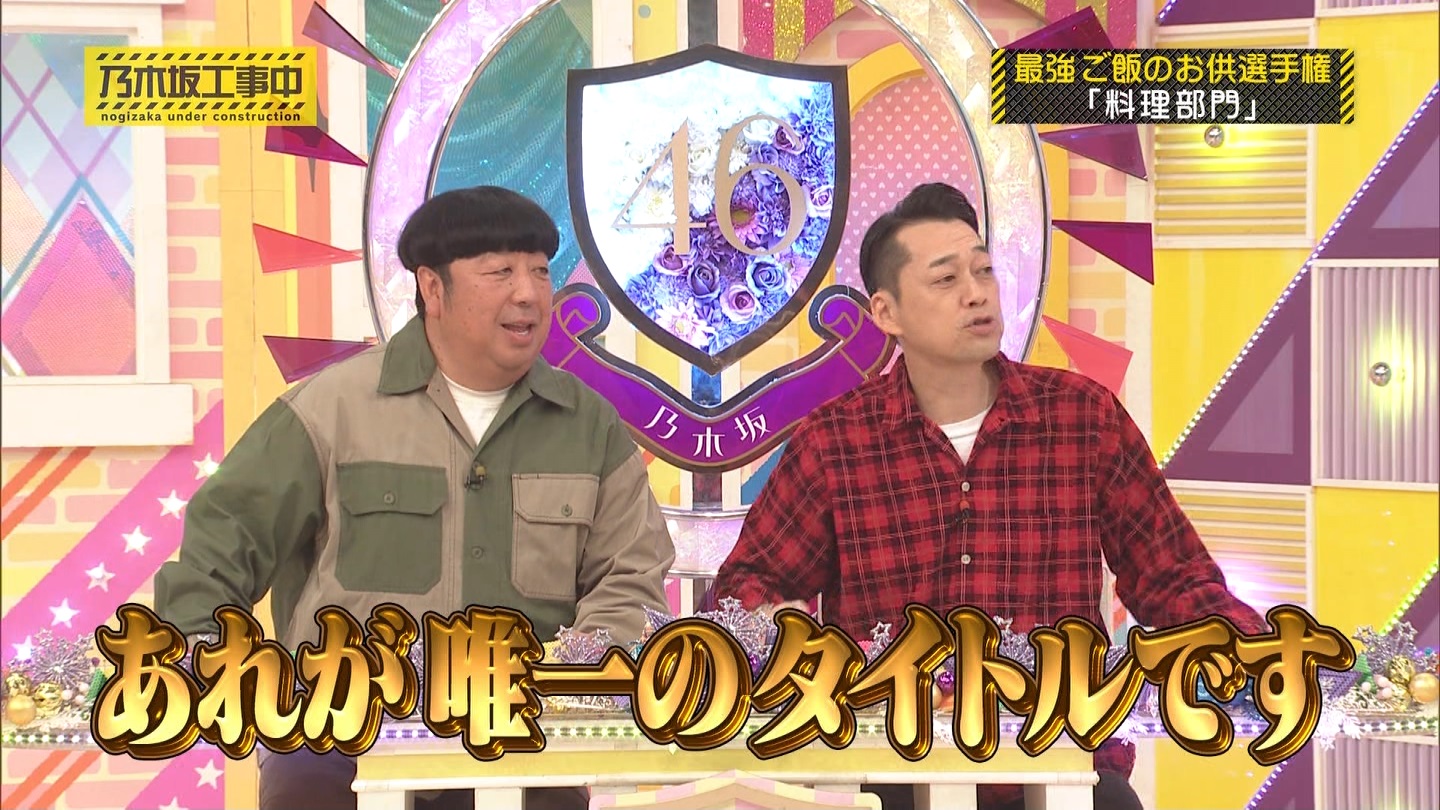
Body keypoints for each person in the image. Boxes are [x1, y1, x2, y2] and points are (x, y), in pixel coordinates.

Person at [711, 182, 1267, 810]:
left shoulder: (1081, 417)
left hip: (1059, 761)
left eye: (983, 271)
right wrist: (804, 649)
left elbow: (1174, 578)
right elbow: (742, 592)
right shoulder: (834, 441)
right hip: (888, 769)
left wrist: (1256, 654)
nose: (976, 293)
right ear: (886, 313)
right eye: (945, 279)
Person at [154, 186, 677, 810]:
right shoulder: (330, 409)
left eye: (540, 271)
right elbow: (219, 548)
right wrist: (215, 668)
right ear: (432, 287)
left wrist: (574, 692)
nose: (528, 294)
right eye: (500, 271)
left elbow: (631, 576)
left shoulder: (589, 426)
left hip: (525, 743)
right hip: (339, 744)